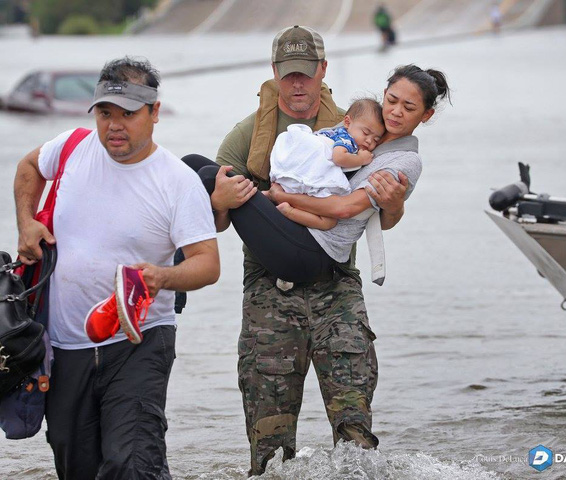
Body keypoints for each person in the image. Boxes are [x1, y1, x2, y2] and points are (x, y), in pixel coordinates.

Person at [211, 23, 444, 476]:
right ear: (275, 72)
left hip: (337, 285)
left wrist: (394, 205)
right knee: (270, 446)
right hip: (268, 289)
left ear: (322, 71)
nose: (297, 83)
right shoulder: (247, 136)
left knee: (356, 435)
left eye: (306, 73)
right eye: (288, 73)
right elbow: (218, 220)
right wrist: (221, 202)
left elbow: (378, 214)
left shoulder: (362, 124)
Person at [13, 56, 219, 479]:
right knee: (76, 465)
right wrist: (26, 223)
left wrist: (162, 277)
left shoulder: (177, 181)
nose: (114, 125)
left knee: (132, 462)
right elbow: (28, 168)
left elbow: (207, 264)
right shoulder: (70, 148)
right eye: (105, 113)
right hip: (65, 346)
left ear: (154, 113)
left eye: (128, 114)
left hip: (139, 341)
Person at [270, 97, 385, 229]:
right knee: (328, 222)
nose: (369, 141)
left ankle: (271, 195)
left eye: (376, 139)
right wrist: (361, 159)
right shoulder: (347, 140)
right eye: (365, 132)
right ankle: (288, 211)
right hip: (309, 175)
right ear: (347, 122)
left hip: (294, 171)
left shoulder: (331, 132)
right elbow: (339, 158)